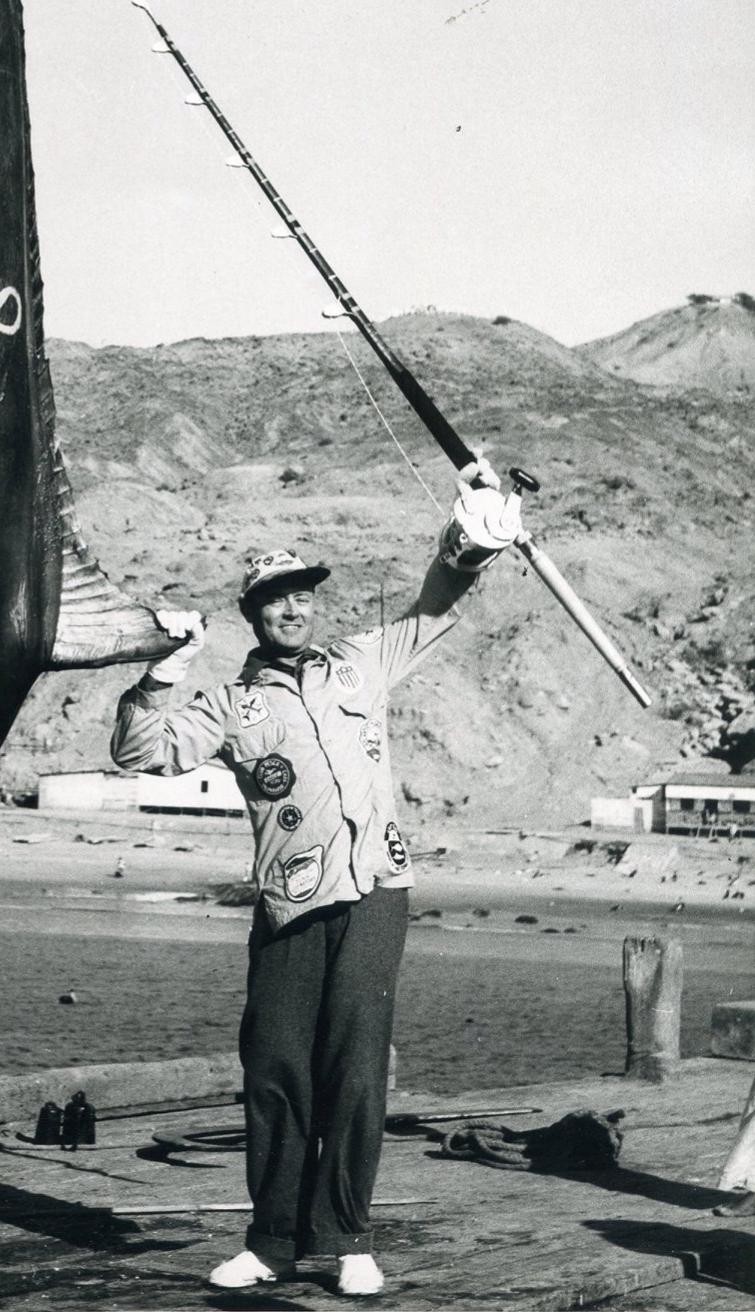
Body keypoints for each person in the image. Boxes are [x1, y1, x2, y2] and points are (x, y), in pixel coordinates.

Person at [110, 462, 523, 1297]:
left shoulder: (361, 664)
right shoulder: (228, 705)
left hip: (375, 891)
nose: (292, 607)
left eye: (302, 593)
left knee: (356, 1067)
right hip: (288, 900)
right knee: (272, 1068)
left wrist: (471, 538)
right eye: (274, 597)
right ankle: (270, 1242)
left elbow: (435, 604)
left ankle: (348, 1239)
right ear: (252, 615)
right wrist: (162, 671)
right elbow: (136, 753)